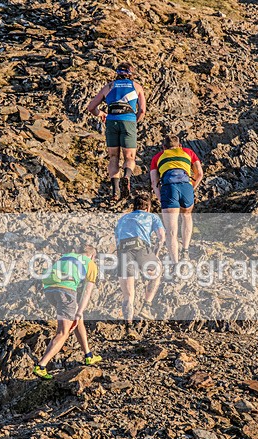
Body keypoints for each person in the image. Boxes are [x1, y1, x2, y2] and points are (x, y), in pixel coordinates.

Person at [33, 246, 100, 379]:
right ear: (93, 256)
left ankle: (88, 355)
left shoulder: (67, 256)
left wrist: (78, 313)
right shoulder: (90, 264)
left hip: (49, 291)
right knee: (63, 332)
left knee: (77, 318)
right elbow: (87, 292)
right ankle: (41, 366)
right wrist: (79, 312)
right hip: (66, 292)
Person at [87, 63, 147, 201]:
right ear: (131, 74)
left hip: (111, 121)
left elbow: (91, 108)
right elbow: (142, 110)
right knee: (129, 157)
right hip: (128, 121)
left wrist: (101, 113)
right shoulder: (136, 86)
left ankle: (115, 192)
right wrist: (134, 121)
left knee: (113, 157)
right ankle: (126, 177)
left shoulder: (108, 87)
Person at [150, 134, 204, 262]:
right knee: (186, 216)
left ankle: (175, 263)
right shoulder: (188, 152)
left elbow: (154, 182)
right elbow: (200, 173)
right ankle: (185, 251)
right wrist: (191, 188)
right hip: (186, 187)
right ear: (180, 145)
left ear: (164, 147)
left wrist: (160, 198)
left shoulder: (157, 157)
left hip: (169, 188)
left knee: (171, 231)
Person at [115, 192, 165, 324]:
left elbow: (117, 239)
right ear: (148, 208)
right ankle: (146, 306)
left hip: (123, 251)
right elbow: (161, 237)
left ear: (134, 207)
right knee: (158, 270)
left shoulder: (122, 219)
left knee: (128, 295)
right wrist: (155, 254)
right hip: (141, 248)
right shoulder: (152, 216)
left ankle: (128, 326)